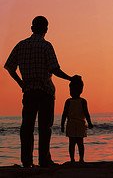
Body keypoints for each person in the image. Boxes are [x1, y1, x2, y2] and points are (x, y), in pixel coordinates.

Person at [4, 16, 73, 167]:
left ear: (32, 28)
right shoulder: (46, 46)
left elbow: (9, 67)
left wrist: (20, 82)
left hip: (28, 91)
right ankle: (44, 160)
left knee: (27, 127)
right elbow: (55, 69)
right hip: (45, 92)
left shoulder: (21, 45)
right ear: (46, 29)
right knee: (44, 127)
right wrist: (70, 78)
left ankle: (27, 161)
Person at [61, 75, 93, 163]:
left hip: (75, 124)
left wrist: (62, 125)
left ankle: (76, 159)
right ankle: (78, 159)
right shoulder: (80, 101)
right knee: (78, 143)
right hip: (77, 124)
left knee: (75, 143)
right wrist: (89, 123)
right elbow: (86, 114)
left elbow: (64, 114)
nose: (71, 91)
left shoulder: (73, 101)